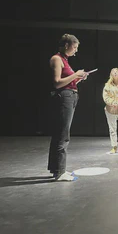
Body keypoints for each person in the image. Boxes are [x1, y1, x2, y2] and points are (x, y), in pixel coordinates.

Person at [48, 34, 88, 181]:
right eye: (75, 47)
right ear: (67, 45)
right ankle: (60, 171)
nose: (76, 51)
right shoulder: (56, 59)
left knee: (61, 133)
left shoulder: (65, 60)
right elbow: (57, 83)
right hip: (64, 97)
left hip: (69, 96)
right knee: (63, 135)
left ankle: (56, 169)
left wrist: (78, 79)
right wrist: (75, 75)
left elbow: (67, 83)